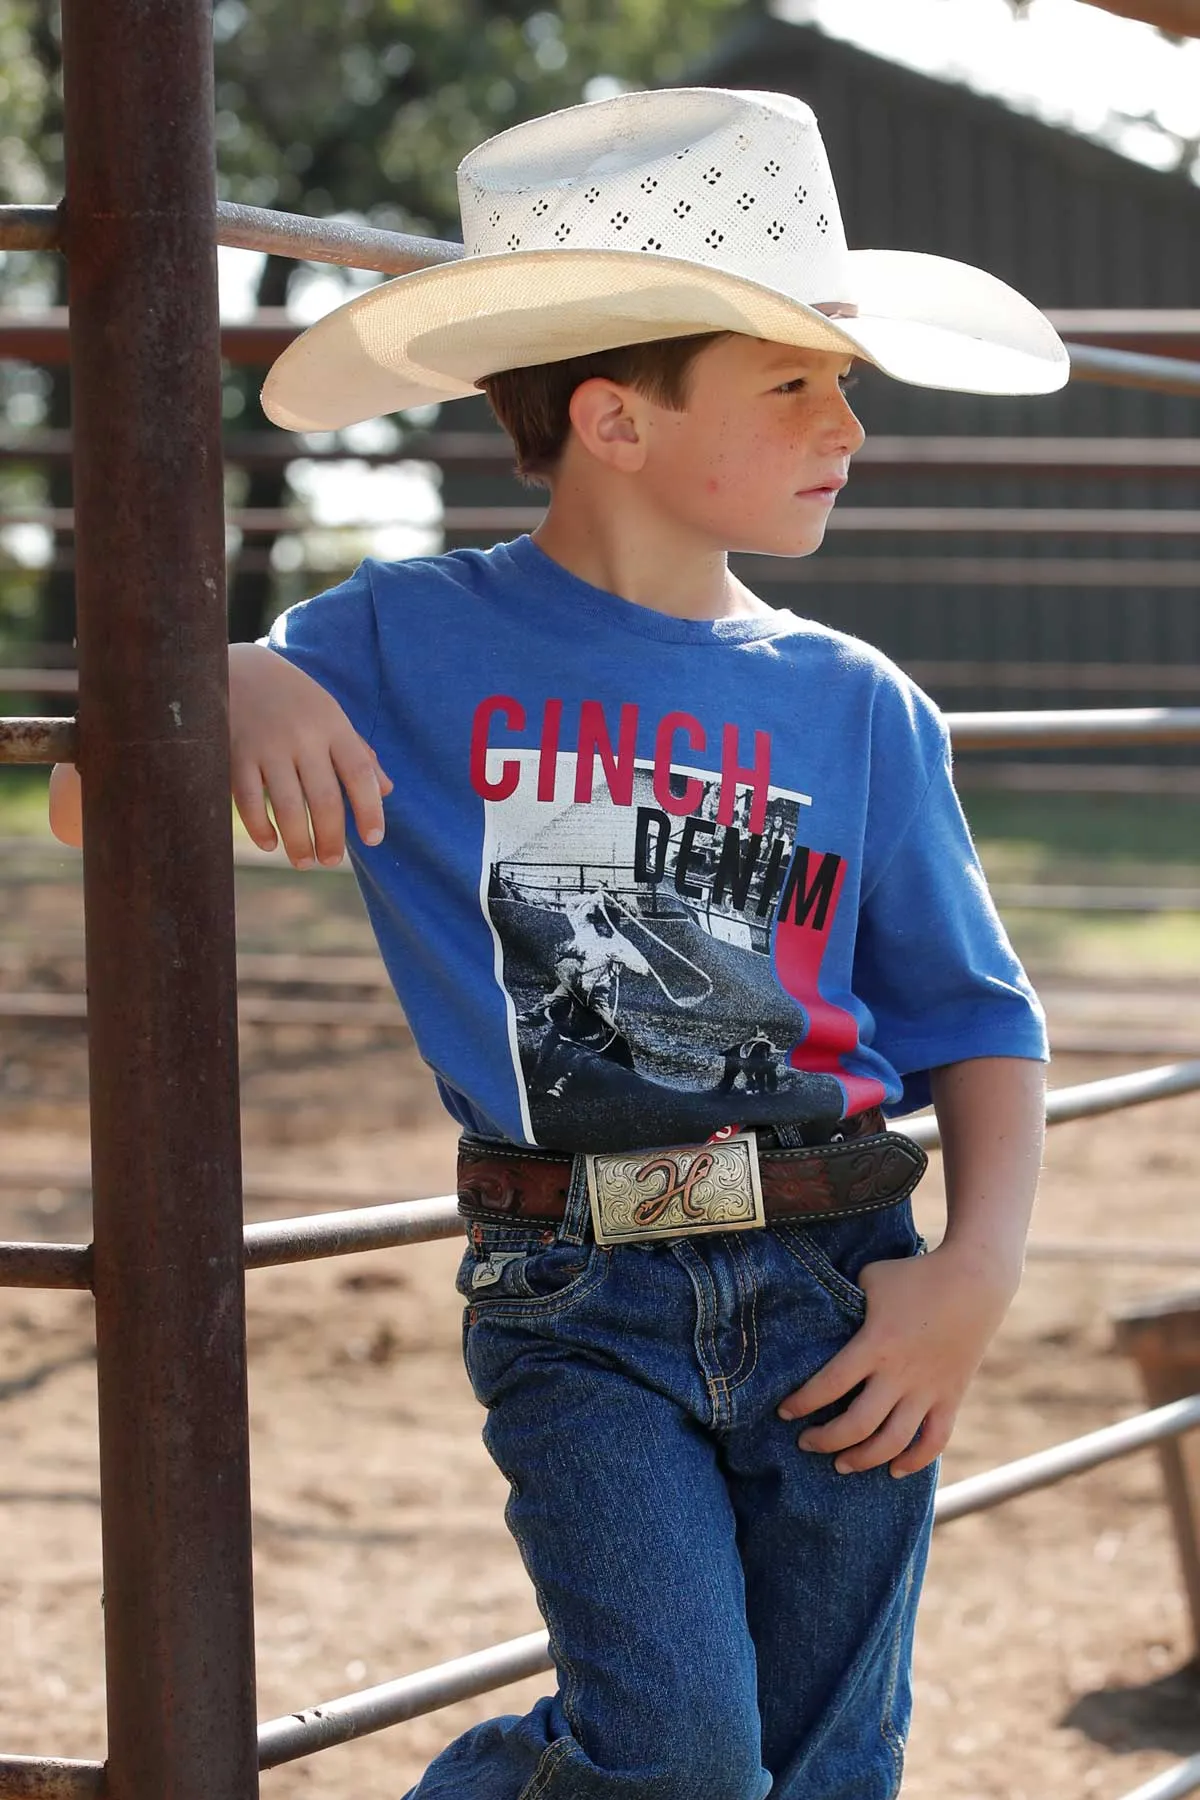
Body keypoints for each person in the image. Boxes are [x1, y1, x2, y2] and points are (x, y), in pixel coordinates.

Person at [51, 87, 1061, 1800]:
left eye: (846, 384)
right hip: (577, 1293)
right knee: (677, 1763)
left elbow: (979, 1015)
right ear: (616, 418)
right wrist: (218, 677)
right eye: (795, 384)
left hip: (842, 1278)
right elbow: (92, 806)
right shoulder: (391, 639)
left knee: (824, 1770)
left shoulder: (859, 705)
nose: (849, 427)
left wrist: (973, 1279)